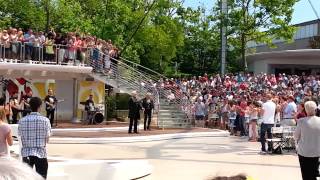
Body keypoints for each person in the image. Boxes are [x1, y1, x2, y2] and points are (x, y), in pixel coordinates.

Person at [18, 97, 51, 179]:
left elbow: (20, 136)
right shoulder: (45, 120)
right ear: (40, 107)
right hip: (41, 153)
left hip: (26, 153)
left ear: (29, 106)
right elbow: (47, 139)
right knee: (41, 177)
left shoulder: (22, 121)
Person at [294, 101, 320, 180]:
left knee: (305, 174)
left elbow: (296, 136)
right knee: (314, 172)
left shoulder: (301, 121)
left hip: (303, 151)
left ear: (305, 109)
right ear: (315, 109)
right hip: (317, 151)